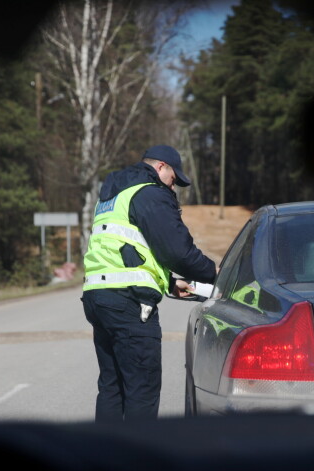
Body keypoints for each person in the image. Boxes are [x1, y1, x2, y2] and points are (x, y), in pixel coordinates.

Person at [81, 145, 217, 422]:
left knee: (112, 387)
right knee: (142, 388)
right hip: (128, 303)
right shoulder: (149, 193)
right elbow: (177, 250)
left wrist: (168, 281)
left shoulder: (112, 196)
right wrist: (216, 274)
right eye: (173, 178)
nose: (173, 186)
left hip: (99, 298)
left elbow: (128, 250)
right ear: (161, 167)